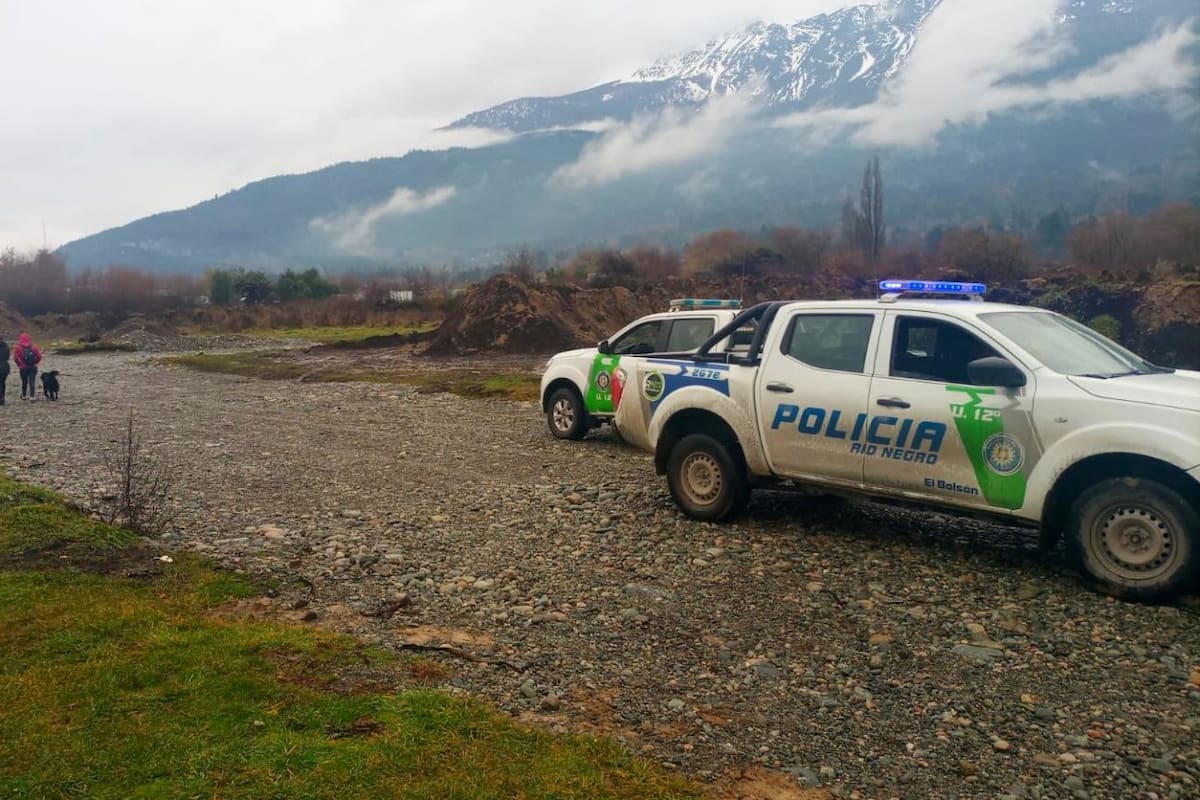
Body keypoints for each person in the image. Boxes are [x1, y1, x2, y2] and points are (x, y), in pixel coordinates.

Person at [14, 333, 41, 401]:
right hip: (33, 367)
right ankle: (32, 396)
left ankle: (24, 395)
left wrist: (19, 364)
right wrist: (36, 362)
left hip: (23, 367)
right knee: (32, 382)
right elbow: (39, 356)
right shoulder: (34, 346)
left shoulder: (18, 347)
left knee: (24, 382)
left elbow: (15, 358)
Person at [0, 339, 9, 405]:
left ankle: (1, 397)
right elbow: (7, 357)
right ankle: (2, 397)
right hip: (5, 366)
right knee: (2, 382)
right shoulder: (6, 347)